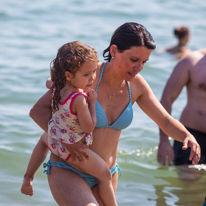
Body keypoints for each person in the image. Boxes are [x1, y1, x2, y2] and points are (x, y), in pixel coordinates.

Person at [29, 22, 201, 206]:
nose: (139, 67)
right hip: (69, 168)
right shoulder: (86, 77)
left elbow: (165, 121)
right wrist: (63, 138)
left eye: (144, 62)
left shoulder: (136, 86)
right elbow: (38, 111)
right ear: (114, 50)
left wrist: (187, 136)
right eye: (133, 60)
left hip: (107, 175)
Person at [21, 41, 118, 206]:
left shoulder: (57, 88)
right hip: (74, 149)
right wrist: (92, 103)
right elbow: (89, 127)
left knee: (43, 140)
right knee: (105, 175)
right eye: (86, 74)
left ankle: (28, 177)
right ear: (68, 75)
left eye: (94, 72)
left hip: (54, 140)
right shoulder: (79, 99)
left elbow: (48, 82)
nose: (92, 78)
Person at [157, 48, 206, 166]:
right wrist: (164, 140)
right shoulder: (191, 61)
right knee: (188, 180)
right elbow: (167, 98)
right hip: (192, 136)